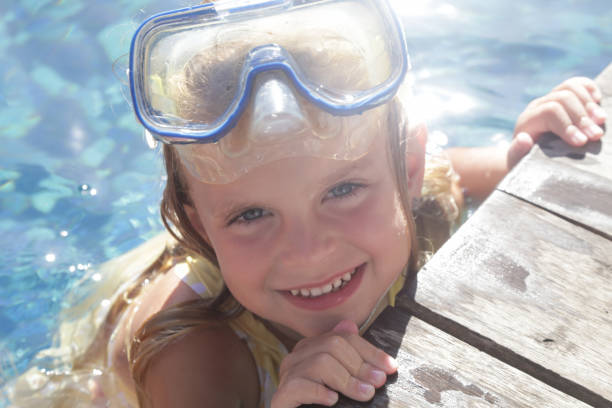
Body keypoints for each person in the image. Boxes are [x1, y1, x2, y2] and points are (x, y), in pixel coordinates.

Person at [7, 1, 606, 407]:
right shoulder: (197, 354)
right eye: (251, 214)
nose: (309, 250)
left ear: (409, 170)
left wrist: (531, 145)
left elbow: (500, 170)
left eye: (342, 190)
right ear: (200, 225)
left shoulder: (422, 190)